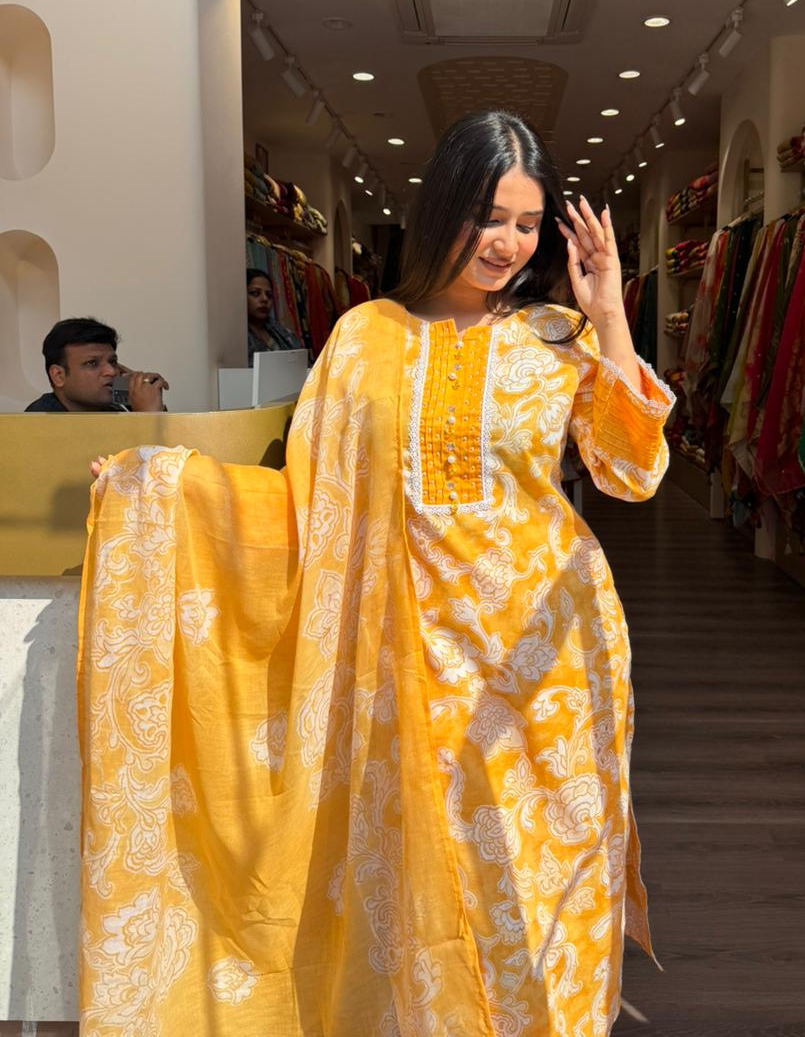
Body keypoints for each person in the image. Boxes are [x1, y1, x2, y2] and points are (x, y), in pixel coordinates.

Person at [80, 111, 674, 1035]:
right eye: (489, 216)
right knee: (425, 888)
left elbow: (631, 475)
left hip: (550, 667)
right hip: (408, 666)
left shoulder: (557, 335)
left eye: (527, 223)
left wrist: (609, 318)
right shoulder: (364, 337)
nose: (508, 243)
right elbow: (307, 502)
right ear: (444, 209)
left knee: (548, 883)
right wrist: (164, 488)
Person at [25, 316, 168, 412]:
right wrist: (148, 416)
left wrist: (135, 400)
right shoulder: (38, 421)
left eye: (112, 362)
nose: (111, 371)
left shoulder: (112, 410)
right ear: (59, 376)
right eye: (92, 363)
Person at [247, 267, 301, 365]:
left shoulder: (281, 332)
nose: (264, 299)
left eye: (269, 295)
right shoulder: (238, 336)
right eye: (255, 293)